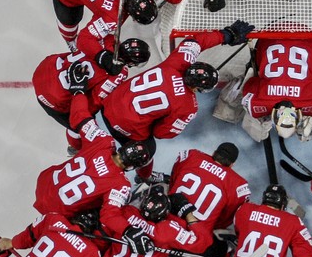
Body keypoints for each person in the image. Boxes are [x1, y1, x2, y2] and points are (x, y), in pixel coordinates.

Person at [99, 20, 254, 183]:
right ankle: (145, 176)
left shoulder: (178, 61)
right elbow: (161, 133)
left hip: (108, 103)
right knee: (148, 150)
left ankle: (79, 137)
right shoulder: (188, 106)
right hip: (122, 126)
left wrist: (227, 34)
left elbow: (197, 41)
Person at [31, 71, 153, 219]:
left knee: (77, 131)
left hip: (45, 181)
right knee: (110, 208)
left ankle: (75, 149)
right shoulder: (121, 184)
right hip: (59, 214)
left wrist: (78, 90)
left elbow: (80, 117)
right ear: (131, 167)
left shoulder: (103, 141)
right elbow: (109, 217)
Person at [32, 40, 150, 156]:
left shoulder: (105, 41)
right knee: (78, 122)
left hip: (45, 69)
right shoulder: (120, 73)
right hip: (53, 99)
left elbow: (86, 38)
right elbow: (95, 101)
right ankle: (74, 147)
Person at [238, 35, 312, 142]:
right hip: (268, 35)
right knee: (254, 73)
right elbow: (250, 82)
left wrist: (310, 113)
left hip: (309, 37)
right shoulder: (255, 104)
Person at [168, 142, 252, 257]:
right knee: (222, 247)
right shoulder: (238, 185)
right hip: (191, 245)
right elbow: (225, 220)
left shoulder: (191, 155)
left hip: (162, 229)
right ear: (232, 165)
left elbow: (173, 180)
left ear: (213, 153)